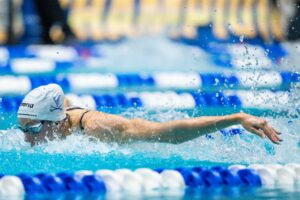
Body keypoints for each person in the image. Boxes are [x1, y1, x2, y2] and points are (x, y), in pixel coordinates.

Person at [17, 84, 282, 146]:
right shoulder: (58, 115)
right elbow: (62, 98)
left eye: (33, 129)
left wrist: (235, 118)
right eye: (24, 129)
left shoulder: (99, 127)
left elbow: (169, 134)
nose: (27, 139)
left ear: (56, 121)